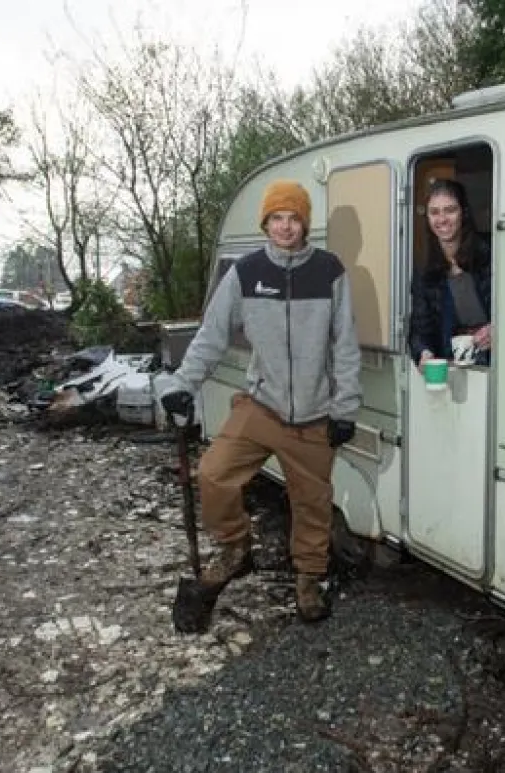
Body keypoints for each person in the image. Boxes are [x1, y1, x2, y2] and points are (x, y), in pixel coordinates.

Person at [155, 179, 362, 628]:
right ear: (265, 223)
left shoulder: (329, 271)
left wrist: (345, 409)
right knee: (213, 473)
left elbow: (345, 344)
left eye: (294, 218)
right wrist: (182, 383)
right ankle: (235, 549)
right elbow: (211, 335)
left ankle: (309, 578)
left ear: (305, 223)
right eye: (277, 218)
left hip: (314, 413)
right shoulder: (246, 273)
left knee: (312, 503)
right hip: (261, 406)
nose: (285, 227)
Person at [408, 178, 493, 368]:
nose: (442, 219)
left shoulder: (490, 252)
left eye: (450, 210)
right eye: (434, 212)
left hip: (499, 360)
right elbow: (420, 328)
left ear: (464, 212)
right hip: (453, 363)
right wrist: (424, 352)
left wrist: (497, 330)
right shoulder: (424, 268)